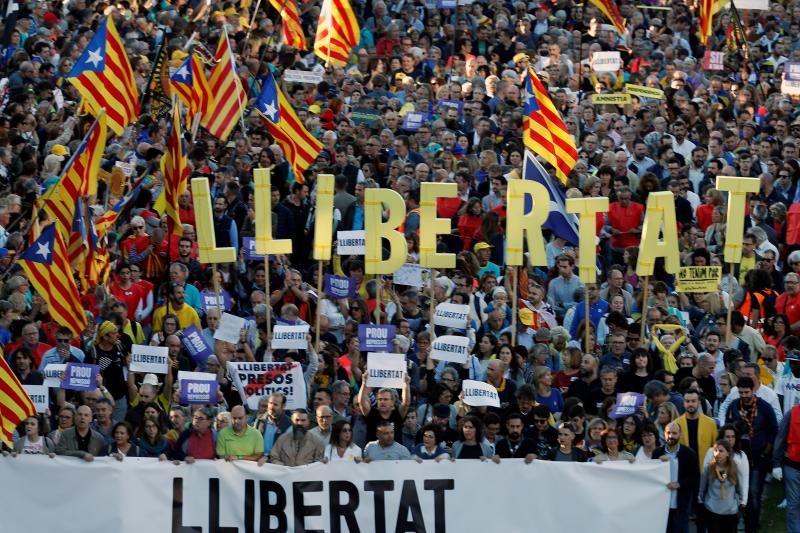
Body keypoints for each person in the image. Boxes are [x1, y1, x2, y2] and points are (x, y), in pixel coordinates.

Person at [653, 422, 700, 533]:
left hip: (681, 505)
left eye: (674, 433)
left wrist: (680, 484)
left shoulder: (689, 454)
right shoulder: (657, 453)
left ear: (680, 434)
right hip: (662, 505)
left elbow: (695, 478)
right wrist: (659, 462)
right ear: (664, 434)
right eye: (668, 433)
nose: (671, 436)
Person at [698, 440, 744, 533]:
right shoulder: (708, 468)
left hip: (730, 511)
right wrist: (703, 503)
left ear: (728, 453)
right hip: (713, 510)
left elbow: (739, 489)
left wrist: (737, 502)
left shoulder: (734, 468)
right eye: (715, 450)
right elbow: (701, 489)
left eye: (721, 451)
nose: (717, 453)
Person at [675, 390, 718, 473]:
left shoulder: (710, 423)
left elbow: (716, 447)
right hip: (684, 470)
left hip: (706, 469)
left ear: (699, 402)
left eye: (693, 401)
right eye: (687, 401)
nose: (690, 404)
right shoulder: (676, 424)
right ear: (684, 403)